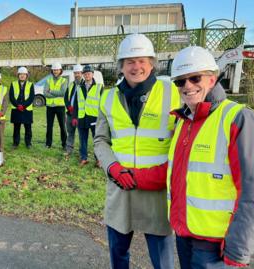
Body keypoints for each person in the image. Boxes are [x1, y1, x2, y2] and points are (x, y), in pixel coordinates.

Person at [168, 46, 254, 268]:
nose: (187, 86)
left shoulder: (239, 119)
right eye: (180, 81)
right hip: (185, 236)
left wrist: (238, 249)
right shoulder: (183, 121)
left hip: (218, 245)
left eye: (195, 77)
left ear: (212, 79)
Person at [94, 33, 181, 269]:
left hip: (157, 190)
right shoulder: (108, 97)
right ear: (121, 66)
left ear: (152, 63)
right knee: (118, 255)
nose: (137, 67)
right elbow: (100, 140)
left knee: (162, 260)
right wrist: (112, 167)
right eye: (130, 61)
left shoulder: (174, 92)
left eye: (142, 60)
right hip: (121, 189)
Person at [75, 65, 103, 166]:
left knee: (97, 139)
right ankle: (83, 158)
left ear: (92, 74)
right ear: (83, 75)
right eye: (85, 73)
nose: (87, 75)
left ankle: (99, 159)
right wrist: (75, 117)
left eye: (89, 73)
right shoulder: (79, 87)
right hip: (82, 117)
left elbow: (102, 104)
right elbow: (76, 104)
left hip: (94, 118)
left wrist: (102, 118)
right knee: (82, 139)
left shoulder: (99, 87)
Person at [9, 67, 34, 149]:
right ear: (18, 75)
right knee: (16, 127)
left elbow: (31, 97)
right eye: (20, 74)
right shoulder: (13, 84)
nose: (22, 76)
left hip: (27, 110)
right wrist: (18, 106)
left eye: (24, 74)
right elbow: (11, 97)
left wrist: (23, 106)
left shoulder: (31, 84)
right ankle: (15, 143)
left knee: (28, 128)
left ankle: (28, 143)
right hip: (16, 109)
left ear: (26, 75)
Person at [44, 62, 67, 149]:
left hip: (60, 106)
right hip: (50, 107)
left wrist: (51, 91)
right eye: (54, 70)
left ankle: (64, 144)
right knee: (49, 126)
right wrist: (53, 93)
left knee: (62, 126)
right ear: (52, 70)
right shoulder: (48, 80)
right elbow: (45, 93)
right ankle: (48, 144)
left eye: (57, 70)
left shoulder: (64, 80)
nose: (55, 71)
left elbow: (63, 93)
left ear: (60, 70)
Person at [64, 64, 83, 156]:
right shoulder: (71, 84)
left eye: (78, 73)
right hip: (70, 113)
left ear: (81, 73)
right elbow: (65, 97)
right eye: (75, 73)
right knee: (70, 132)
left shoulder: (84, 85)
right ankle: (69, 149)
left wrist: (75, 110)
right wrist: (68, 107)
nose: (77, 75)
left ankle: (81, 152)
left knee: (81, 134)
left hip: (79, 114)